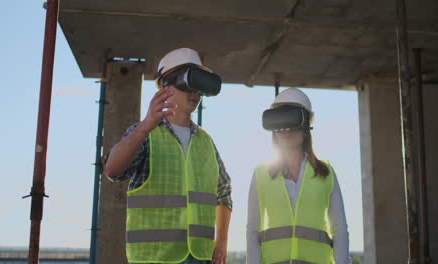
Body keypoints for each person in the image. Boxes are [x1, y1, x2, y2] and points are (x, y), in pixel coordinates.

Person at [104, 48, 232, 264]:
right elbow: (112, 171)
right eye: (187, 83)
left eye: (198, 87)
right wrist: (144, 127)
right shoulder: (145, 133)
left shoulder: (206, 142)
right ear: (166, 86)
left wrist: (221, 242)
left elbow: (224, 193)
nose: (194, 93)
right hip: (154, 258)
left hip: (200, 257)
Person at [246, 88, 349, 264]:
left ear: (306, 126)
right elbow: (253, 230)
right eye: (280, 122)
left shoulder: (326, 173)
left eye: (292, 121)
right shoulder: (260, 174)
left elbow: (339, 230)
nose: (285, 130)